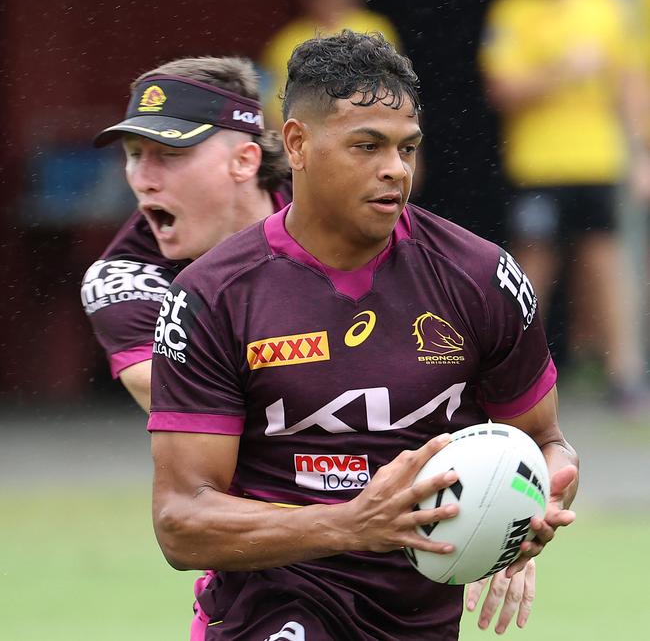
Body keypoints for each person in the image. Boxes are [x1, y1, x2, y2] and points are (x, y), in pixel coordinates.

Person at [148, 31, 579, 641]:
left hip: (420, 620)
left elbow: (547, 442)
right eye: (366, 145)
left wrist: (527, 508)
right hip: (272, 607)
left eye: (407, 149)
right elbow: (182, 520)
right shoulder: (212, 296)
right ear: (296, 143)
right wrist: (352, 524)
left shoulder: (484, 279)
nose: (394, 170)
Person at [80, 56, 291, 411]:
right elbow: (194, 409)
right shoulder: (122, 278)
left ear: (244, 161)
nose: (143, 180)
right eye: (133, 154)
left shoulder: (332, 210)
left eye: (169, 153)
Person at [479, 0, 650, 408]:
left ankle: (623, 377)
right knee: (530, 268)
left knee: (605, 265)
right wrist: (561, 71)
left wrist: (641, 152)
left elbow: (627, 84)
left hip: (597, 162)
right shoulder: (511, 11)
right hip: (539, 165)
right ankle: (507, 374)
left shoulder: (604, 7)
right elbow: (501, 90)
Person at [260, 0, 401, 127]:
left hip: (370, 123)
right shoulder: (285, 41)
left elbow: (396, 85)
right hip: (311, 130)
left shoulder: (374, 27)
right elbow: (276, 105)